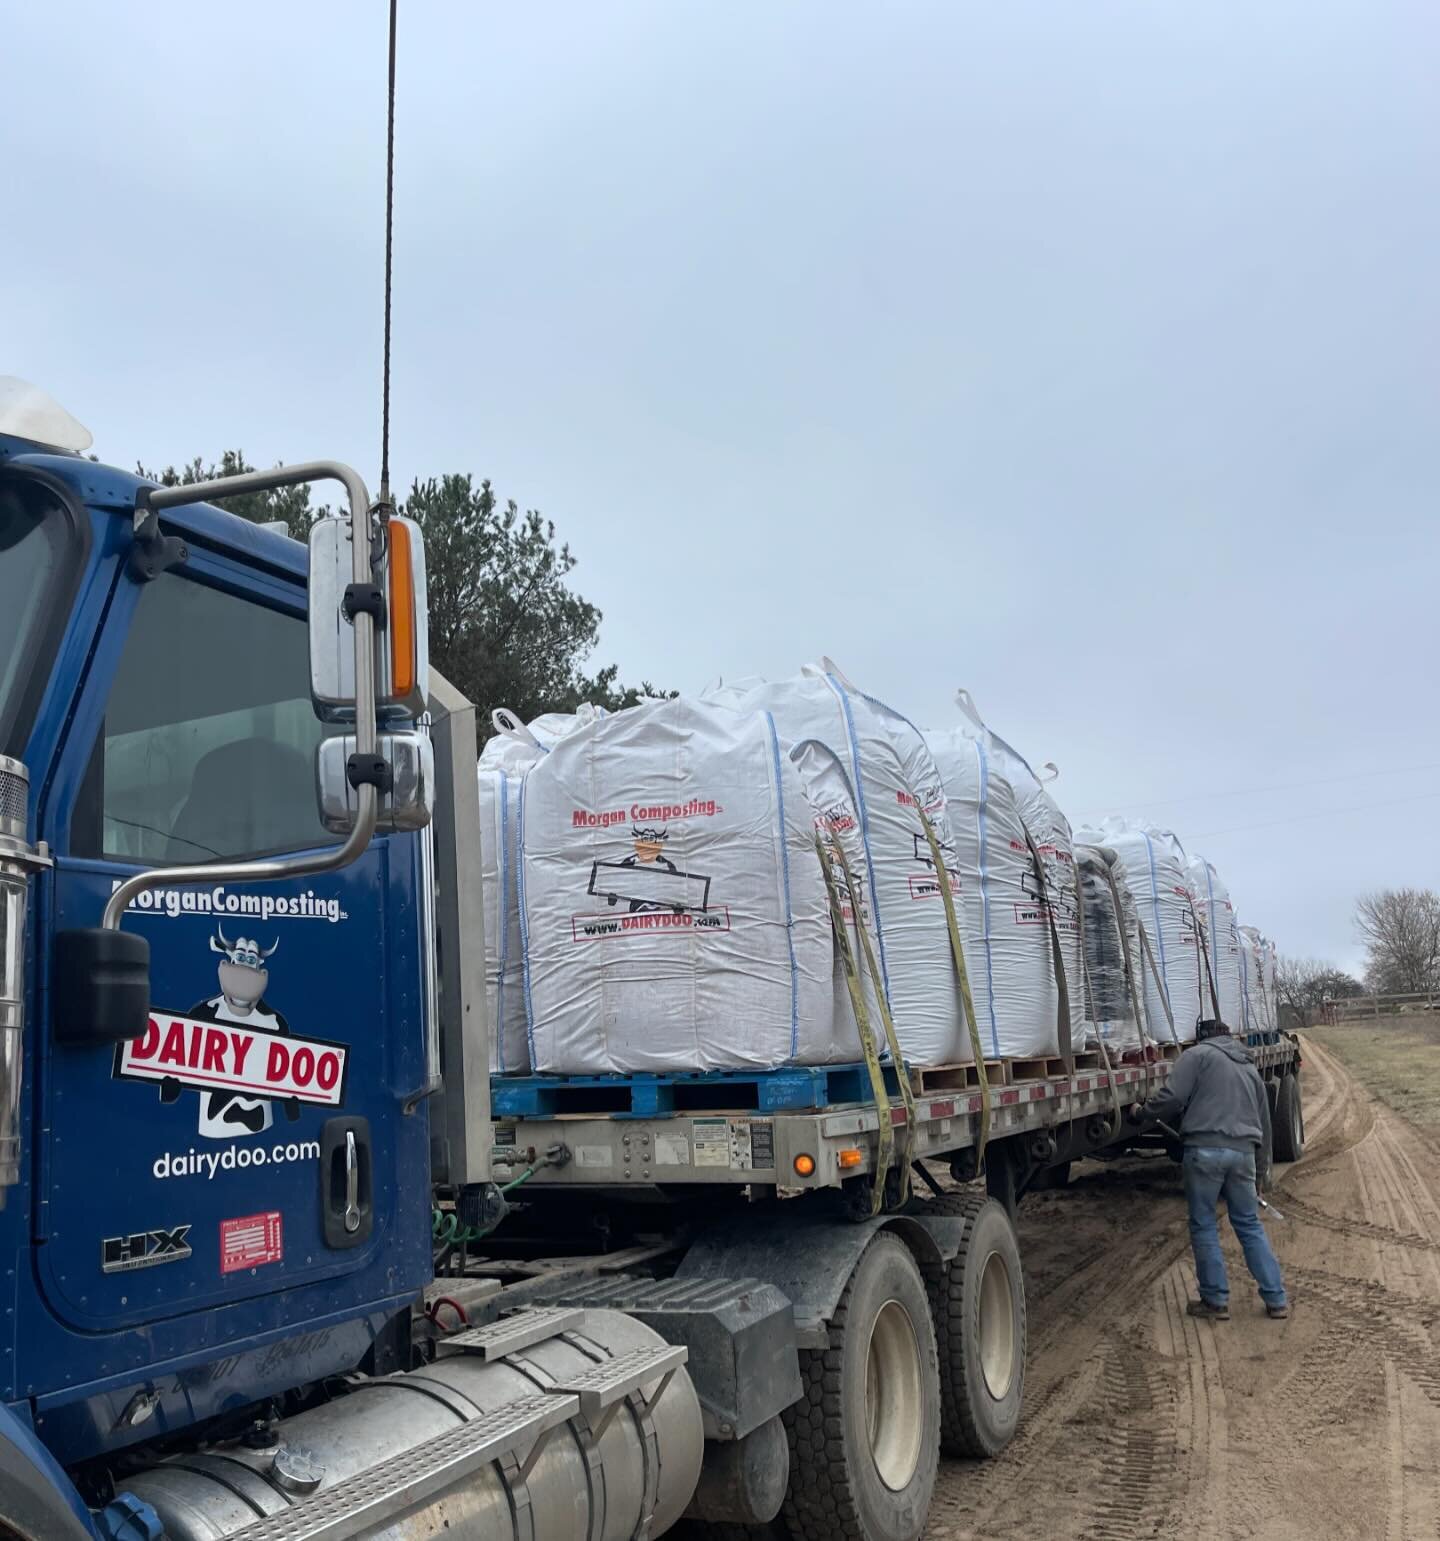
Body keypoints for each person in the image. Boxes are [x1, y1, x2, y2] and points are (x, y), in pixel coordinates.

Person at [1135, 1018, 1289, 1321]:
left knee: (1204, 1224)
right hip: (1244, 1153)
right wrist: (1260, 1173)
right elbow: (1264, 1124)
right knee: (1248, 1225)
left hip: (1204, 1152)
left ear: (1201, 1037)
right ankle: (1276, 1299)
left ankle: (1215, 1300)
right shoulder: (1248, 1066)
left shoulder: (1197, 1056)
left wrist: (1142, 1113)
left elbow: (1174, 1098)